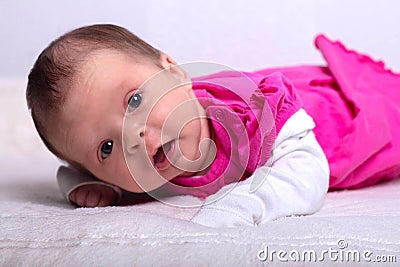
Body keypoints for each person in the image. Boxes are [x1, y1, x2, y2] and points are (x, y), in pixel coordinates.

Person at [26, 24, 400, 227]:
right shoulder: (135, 174)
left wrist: (245, 204)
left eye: (135, 100)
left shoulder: (253, 111)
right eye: (106, 148)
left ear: (172, 70)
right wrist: (88, 186)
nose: (132, 137)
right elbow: (68, 174)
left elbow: (307, 173)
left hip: (343, 116)